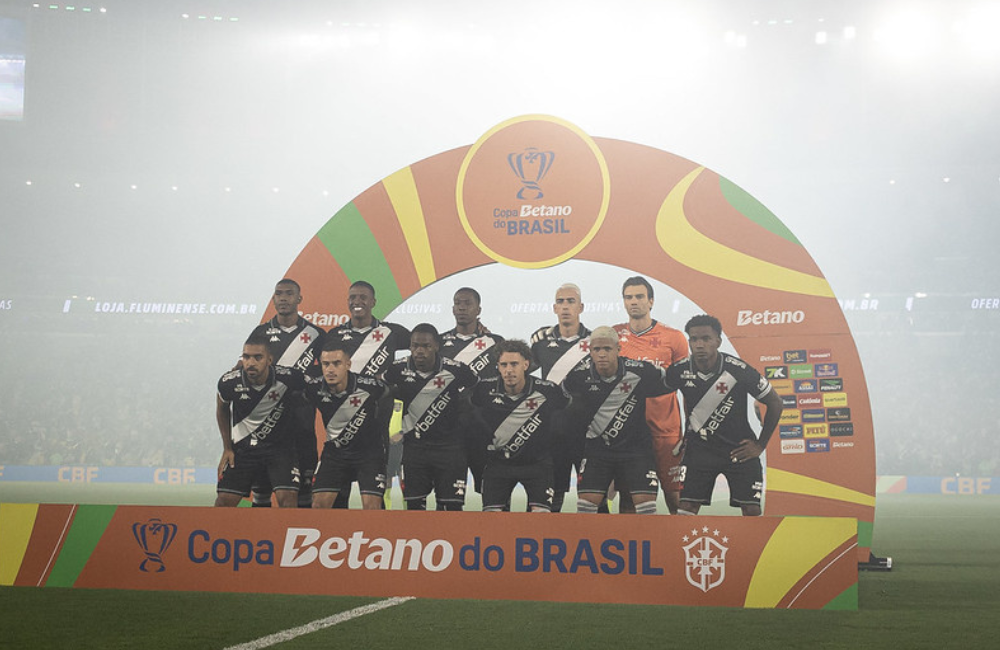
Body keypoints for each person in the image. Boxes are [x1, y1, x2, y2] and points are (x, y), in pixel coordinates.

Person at [665, 314, 784, 516]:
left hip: (738, 450)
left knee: (752, 510)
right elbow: (655, 395)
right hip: (699, 451)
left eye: (706, 338)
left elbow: (775, 403)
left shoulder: (739, 370)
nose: (699, 344)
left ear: (718, 341)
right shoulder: (678, 371)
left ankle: (751, 549)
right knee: (686, 510)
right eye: (694, 339)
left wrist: (760, 445)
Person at [563, 326, 668, 515]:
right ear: (590, 351)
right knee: (585, 508)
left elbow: (672, 381)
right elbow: (562, 399)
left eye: (607, 349)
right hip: (597, 451)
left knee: (646, 509)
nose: (602, 354)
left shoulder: (641, 370)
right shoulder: (578, 376)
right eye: (597, 349)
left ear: (618, 350)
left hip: (637, 450)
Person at [327, 280, 410, 506]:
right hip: (342, 422)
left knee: (375, 494)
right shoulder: (334, 335)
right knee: (338, 497)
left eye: (363, 297)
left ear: (373, 302)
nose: (357, 301)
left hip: (377, 422)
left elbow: (427, 344)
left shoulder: (391, 332)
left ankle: (377, 537)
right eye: (353, 297)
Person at [613, 276, 688, 514]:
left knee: (675, 497)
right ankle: (631, 549)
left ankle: (677, 549)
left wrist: (690, 430)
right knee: (628, 498)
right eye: (628, 297)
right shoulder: (614, 337)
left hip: (666, 431)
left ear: (651, 301)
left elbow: (688, 387)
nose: (633, 302)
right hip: (628, 434)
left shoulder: (674, 337)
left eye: (639, 297)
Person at [383, 323, 478, 511]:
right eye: (415, 345)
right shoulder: (397, 369)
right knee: (415, 510)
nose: (419, 351)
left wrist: (464, 417)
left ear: (436, 346)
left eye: (426, 346)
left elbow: (476, 389)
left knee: (451, 510)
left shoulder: (456, 369)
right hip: (414, 449)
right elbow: (381, 392)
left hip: (451, 449)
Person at [247, 278, 325, 508]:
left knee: (303, 494)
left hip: (301, 421)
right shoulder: (260, 333)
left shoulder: (315, 335)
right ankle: (261, 539)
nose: (283, 298)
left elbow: (326, 369)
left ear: (299, 299)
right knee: (261, 493)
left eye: (289, 293)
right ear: (273, 299)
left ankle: (297, 540)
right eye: (279, 293)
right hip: (266, 423)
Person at [470, 339, 569, 512]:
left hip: (537, 465)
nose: (509, 370)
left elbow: (568, 418)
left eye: (514, 364)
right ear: (498, 367)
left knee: (541, 520)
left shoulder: (548, 391)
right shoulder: (483, 390)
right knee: (491, 521)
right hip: (498, 464)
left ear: (526, 364)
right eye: (504, 365)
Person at [214, 334, 303, 507]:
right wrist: (227, 447)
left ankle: (283, 534)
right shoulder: (228, 382)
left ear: (269, 359)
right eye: (246, 357)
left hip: (280, 451)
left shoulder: (289, 378)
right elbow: (222, 409)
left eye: (257, 357)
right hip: (243, 451)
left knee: (289, 500)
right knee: (223, 502)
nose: (251, 362)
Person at [307, 338, 393, 510]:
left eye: (336, 363)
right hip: (335, 454)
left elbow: (392, 394)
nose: (330, 369)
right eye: (326, 364)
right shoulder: (312, 388)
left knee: (372, 508)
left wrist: (382, 429)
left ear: (348, 364)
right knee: (318, 507)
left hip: (369, 454)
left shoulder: (370, 386)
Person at [529, 283, 591, 512]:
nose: (566, 306)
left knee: (593, 497)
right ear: (554, 308)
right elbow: (525, 370)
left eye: (571, 301)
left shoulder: (595, 342)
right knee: (553, 497)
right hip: (552, 432)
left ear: (581, 307)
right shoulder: (540, 341)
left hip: (586, 431)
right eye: (561, 302)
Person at [439, 287, 504, 495]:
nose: (462, 307)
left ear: (478, 309)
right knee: (449, 495)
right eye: (458, 303)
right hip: (449, 428)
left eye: (467, 303)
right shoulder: (438, 343)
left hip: (484, 428)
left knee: (490, 492)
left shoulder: (495, 342)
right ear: (452, 308)